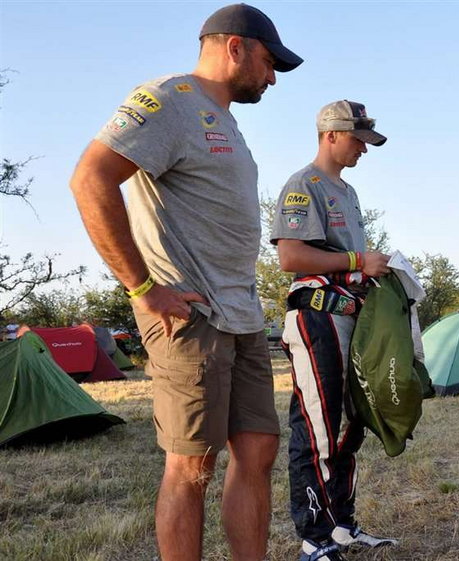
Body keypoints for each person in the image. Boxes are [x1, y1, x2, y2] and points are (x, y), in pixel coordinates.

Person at [68, 5, 302, 561]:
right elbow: (89, 179)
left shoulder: (224, 120)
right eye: (270, 63)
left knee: (259, 448)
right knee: (192, 464)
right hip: (188, 314)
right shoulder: (167, 100)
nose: (272, 78)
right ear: (236, 47)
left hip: (240, 312)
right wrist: (143, 287)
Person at [270, 100, 395, 561]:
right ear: (331, 135)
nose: (364, 149)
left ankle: (342, 526)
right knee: (317, 430)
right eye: (358, 139)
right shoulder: (303, 185)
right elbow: (291, 257)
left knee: (347, 427)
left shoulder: (348, 192)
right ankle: (314, 538)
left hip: (349, 319)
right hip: (316, 318)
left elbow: (346, 259)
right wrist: (359, 261)